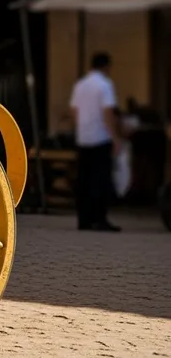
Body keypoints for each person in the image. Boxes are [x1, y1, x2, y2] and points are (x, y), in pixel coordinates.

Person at [70, 52, 122, 232]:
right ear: (106, 66)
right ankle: (100, 219)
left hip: (83, 138)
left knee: (84, 180)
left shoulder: (80, 85)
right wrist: (114, 137)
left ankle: (83, 220)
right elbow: (108, 112)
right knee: (100, 180)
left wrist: (81, 128)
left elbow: (74, 111)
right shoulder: (105, 85)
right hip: (100, 138)